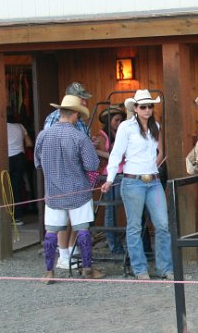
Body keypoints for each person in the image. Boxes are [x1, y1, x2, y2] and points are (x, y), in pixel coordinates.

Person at [101, 89, 173, 280]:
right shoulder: (126, 127)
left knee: (163, 224)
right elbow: (116, 153)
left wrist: (155, 164)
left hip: (152, 180)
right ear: (136, 108)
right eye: (144, 107)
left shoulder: (155, 126)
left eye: (150, 106)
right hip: (133, 181)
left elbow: (159, 152)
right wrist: (110, 178)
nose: (148, 110)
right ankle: (140, 268)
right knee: (134, 226)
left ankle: (165, 268)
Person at [35, 95, 103, 283]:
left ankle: (49, 271)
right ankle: (87, 269)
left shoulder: (43, 135)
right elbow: (91, 165)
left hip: (53, 191)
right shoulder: (79, 137)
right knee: (83, 230)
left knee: (51, 231)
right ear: (74, 114)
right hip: (78, 191)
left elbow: (37, 162)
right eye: (78, 115)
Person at [93, 105, 127, 256]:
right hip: (110, 176)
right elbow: (104, 156)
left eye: (120, 120)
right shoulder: (101, 136)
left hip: (125, 174)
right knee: (111, 211)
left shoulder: (121, 133)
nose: (119, 123)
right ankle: (115, 246)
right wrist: (115, 156)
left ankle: (122, 246)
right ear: (108, 120)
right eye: (116, 120)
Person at [6, 111, 33, 225]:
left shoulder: (1, 126)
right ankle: (18, 217)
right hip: (20, 159)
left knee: (4, 187)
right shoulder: (20, 126)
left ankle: (6, 216)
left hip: (7, 159)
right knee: (16, 187)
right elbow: (29, 143)